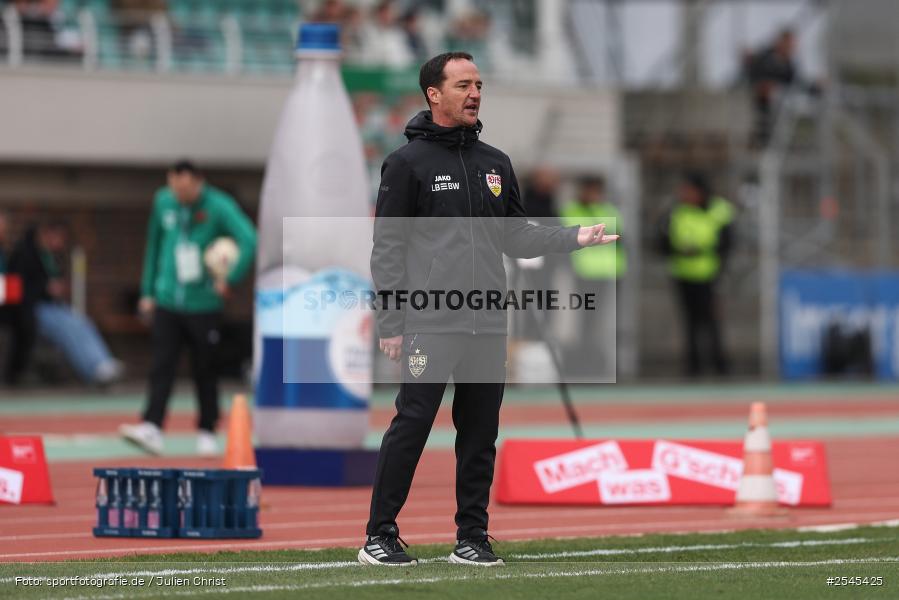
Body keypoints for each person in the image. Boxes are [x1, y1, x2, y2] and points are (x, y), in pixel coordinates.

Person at [360, 52, 618, 567]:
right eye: (462, 85)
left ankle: (472, 537)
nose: (474, 92)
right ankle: (379, 535)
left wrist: (572, 237)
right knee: (412, 423)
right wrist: (391, 321)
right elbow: (387, 248)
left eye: (478, 84)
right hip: (430, 321)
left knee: (479, 433)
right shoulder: (406, 164)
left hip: (486, 321)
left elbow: (515, 235)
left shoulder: (495, 164)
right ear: (434, 94)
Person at [120, 161, 257, 457]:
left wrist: (229, 278)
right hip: (168, 298)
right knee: (161, 363)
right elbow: (153, 246)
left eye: (185, 189)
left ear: (198, 182)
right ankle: (152, 426)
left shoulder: (219, 206)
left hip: (203, 302)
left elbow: (248, 239)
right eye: (175, 188)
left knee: (204, 366)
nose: (180, 195)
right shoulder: (163, 202)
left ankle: (207, 429)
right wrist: (148, 291)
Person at [4, 219, 123, 386]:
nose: (60, 243)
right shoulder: (24, 254)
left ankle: (103, 362)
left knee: (81, 322)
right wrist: (45, 288)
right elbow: (18, 289)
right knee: (68, 328)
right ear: (46, 234)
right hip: (33, 309)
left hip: (53, 306)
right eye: (58, 238)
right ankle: (92, 369)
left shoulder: (52, 256)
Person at [658, 173, 733, 377]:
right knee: (689, 322)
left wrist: (710, 257)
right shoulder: (675, 211)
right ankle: (693, 367)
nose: (684, 194)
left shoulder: (720, 210)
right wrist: (679, 251)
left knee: (712, 321)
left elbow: (727, 242)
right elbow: (662, 242)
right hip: (684, 273)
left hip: (710, 274)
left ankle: (720, 366)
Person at [559, 176, 626, 377]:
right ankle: (585, 365)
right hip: (585, 274)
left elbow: (621, 241)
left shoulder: (609, 211)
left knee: (607, 324)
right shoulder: (571, 211)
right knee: (586, 323)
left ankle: (605, 365)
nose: (594, 195)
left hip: (610, 274)